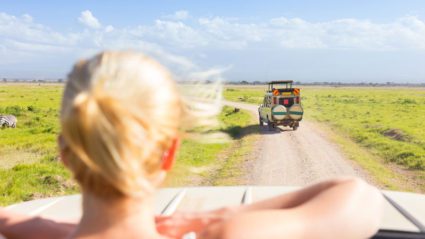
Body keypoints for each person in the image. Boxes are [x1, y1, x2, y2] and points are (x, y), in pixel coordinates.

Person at [0, 51, 384, 239]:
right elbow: (357, 196)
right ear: (170, 151)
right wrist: (221, 221)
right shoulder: (229, 235)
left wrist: (62, 229)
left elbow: (9, 218)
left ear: (65, 152)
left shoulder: (29, 228)